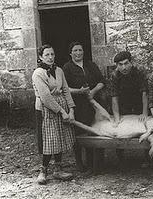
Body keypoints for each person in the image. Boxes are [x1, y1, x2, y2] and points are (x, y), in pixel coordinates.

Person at [32, 44, 76, 185]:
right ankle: (43, 170)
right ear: (40, 57)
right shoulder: (38, 73)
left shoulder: (59, 71)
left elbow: (65, 90)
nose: (50, 57)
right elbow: (46, 97)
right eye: (47, 55)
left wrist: (71, 109)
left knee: (60, 137)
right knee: (49, 140)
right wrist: (62, 112)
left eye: (52, 54)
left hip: (61, 107)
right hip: (46, 110)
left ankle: (58, 169)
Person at [63, 42, 105, 171]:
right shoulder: (67, 68)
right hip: (78, 104)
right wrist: (79, 91)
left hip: (93, 102)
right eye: (75, 50)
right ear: (70, 53)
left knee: (94, 129)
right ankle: (80, 162)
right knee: (79, 131)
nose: (78, 53)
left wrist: (93, 91)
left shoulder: (90, 65)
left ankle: (94, 163)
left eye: (80, 50)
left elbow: (102, 81)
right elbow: (64, 88)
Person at [110, 51, 149, 166]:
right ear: (117, 66)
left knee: (143, 127)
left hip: (138, 102)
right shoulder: (114, 76)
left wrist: (144, 113)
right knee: (120, 128)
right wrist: (117, 117)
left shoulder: (139, 72)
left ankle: (146, 157)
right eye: (120, 65)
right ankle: (120, 157)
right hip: (123, 104)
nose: (124, 67)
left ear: (131, 63)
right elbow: (114, 97)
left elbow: (144, 94)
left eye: (126, 63)